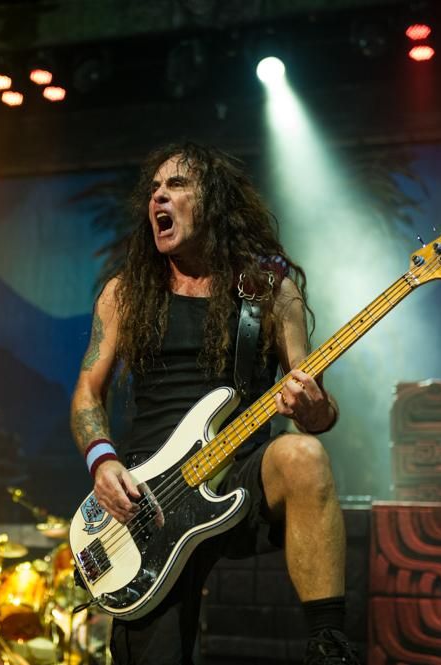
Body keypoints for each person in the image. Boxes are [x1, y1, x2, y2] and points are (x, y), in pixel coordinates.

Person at [70, 143, 361, 665]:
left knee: (302, 455)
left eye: (177, 184)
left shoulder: (270, 292)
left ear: (214, 202)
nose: (159, 196)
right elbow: (88, 393)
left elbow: (319, 414)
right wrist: (103, 461)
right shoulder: (125, 293)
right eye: (154, 189)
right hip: (150, 500)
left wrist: (310, 406)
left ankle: (328, 646)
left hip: (239, 473)